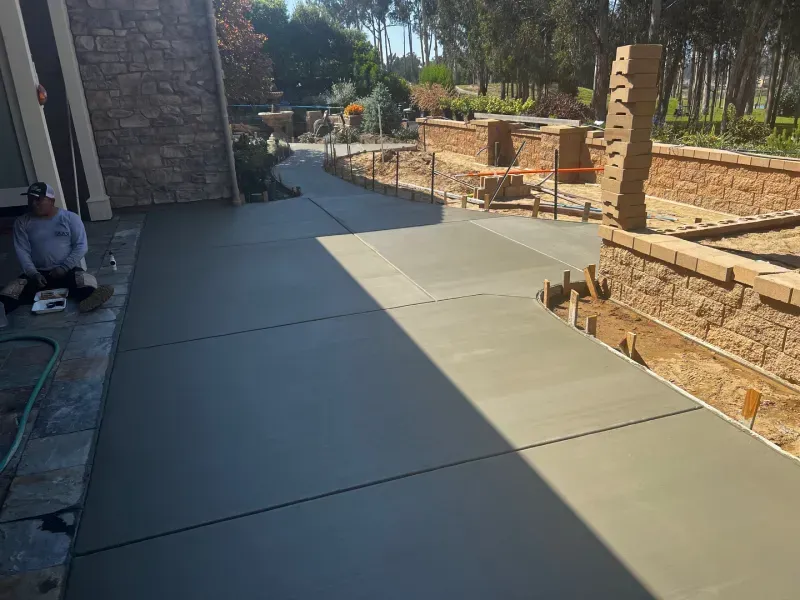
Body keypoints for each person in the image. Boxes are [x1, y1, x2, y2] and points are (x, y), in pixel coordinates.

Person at [0, 182, 114, 315]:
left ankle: (88, 300)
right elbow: (22, 251)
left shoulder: (70, 218)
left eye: (38, 199)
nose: (33, 203)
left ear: (52, 200)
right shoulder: (22, 222)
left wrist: (64, 268)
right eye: (30, 199)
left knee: (86, 283)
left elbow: (81, 246)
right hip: (37, 274)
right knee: (9, 294)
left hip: (66, 270)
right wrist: (33, 273)